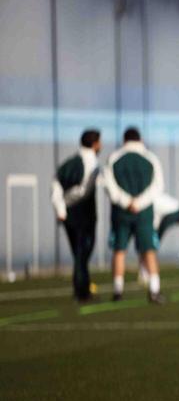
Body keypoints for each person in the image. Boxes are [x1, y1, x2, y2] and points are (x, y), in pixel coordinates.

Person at [103, 127, 165, 304]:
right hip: (144, 212)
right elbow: (158, 186)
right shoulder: (150, 158)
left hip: (121, 212)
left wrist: (126, 201)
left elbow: (109, 185)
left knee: (119, 249)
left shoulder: (114, 158)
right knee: (149, 250)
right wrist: (139, 202)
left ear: (124, 139)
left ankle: (117, 290)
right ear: (140, 139)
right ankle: (154, 289)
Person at [51, 129, 102, 302]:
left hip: (68, 215)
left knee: (79, 253)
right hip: (83, 214)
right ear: (95, 143)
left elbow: (56, 183)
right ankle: (82, 291)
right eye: (99, 142)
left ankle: (82, 287)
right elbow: (83, 191)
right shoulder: (91, 162)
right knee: (82, 252)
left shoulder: (69, 162)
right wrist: (65, 203)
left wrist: (60, 207)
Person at [138, 193, 179, 286]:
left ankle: (144, 273)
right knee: (149, 248)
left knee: (146, 247)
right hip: (144, 208)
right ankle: (145, 274)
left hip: (146, 208)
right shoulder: (175, 213)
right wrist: (157, 240)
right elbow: (164, 224)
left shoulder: (175, 207)